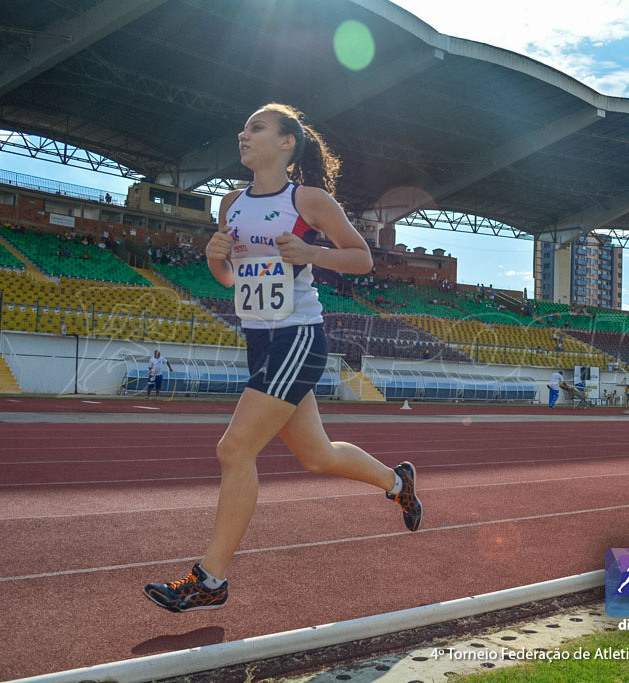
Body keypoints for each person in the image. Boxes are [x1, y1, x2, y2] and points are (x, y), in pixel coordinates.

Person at [143, 103, 422, 613]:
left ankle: (211, 580)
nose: (242, 135)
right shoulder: (231, 203)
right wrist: (213, 258)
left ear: (286, 142)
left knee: (234, 449)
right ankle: (396, 481)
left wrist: (311, 254)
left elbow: (361, 258)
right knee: (317, 455)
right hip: (259, 339)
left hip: (298, 337)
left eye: (256, 128)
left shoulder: (308, 200)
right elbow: (231, 279)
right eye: (244, 128)